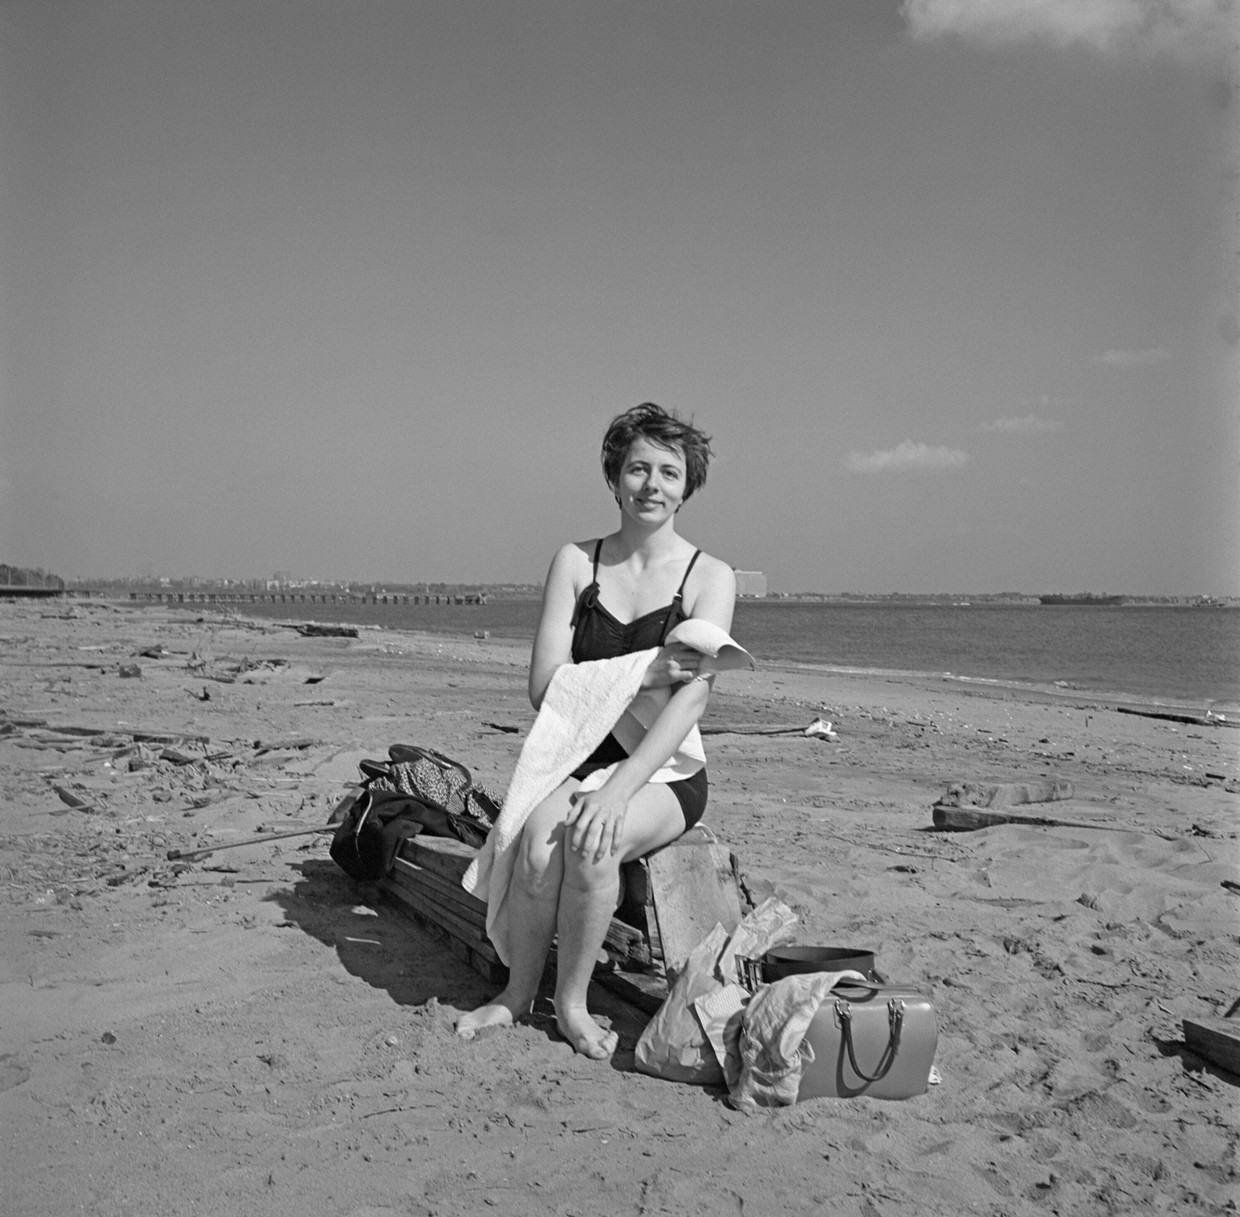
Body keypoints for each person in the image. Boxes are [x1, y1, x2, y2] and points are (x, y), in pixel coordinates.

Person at [455, 402, 737, 1058]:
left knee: (592, 843)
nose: (652, 484)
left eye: (669, 471)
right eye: (638, 468)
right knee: (535, 850)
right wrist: (646, 668)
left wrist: (618, 792)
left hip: (664, 771)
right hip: (579, 754)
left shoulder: (709, 577)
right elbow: (542, 685)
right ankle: (516, 994)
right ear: (615, 476)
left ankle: (573, 1005)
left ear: (688, 484)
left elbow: (690, 703)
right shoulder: (576, 563)